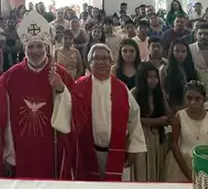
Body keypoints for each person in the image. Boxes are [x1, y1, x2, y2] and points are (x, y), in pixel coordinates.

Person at [0, 11, 76, 179]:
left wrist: (61, 89)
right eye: (30, 47)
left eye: (40, 46)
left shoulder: (60, 74)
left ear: (47, 48)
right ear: (24, 49)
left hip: (51, 144)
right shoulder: (11, 76)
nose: (35, 51)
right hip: (21, 144)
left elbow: (78, 108)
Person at [56, 44, 146, 181]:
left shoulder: (121, 88)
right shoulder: (79, 86)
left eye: (105, 58)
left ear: (111, 62)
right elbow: (68, 111)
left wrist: (133, 148)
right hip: (86, 152)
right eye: (96, 58)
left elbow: (134, 117)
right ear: (89, 62)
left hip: (116, 151)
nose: (101, 62)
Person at [164, 81, 208, 182]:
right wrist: (187, 171)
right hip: (182, 164)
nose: (192, 102)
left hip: (206, 163)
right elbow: (174, 144)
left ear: (204, 100)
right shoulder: (179, 116)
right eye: (189, 98)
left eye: (197, 99)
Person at [130, 62, 170, 182]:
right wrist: (157, 121)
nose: (154, 80)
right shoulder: (134, 93)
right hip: (141, 137)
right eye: (150, 77)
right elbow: (134, 120)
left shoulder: (159, 92)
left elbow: (168, 113)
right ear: (142, 78)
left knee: (156, 170)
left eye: (155, 77)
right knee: (143, 171)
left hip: (157, 138)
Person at [162, 39, 199, 110]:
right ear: (172, 52)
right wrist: (167, 108)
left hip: (192, 105)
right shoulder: (165, 69)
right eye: (177, 51)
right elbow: (162, 91)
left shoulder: (193, 69)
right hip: (173, 106)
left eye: (183, 51)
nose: (180, 54)